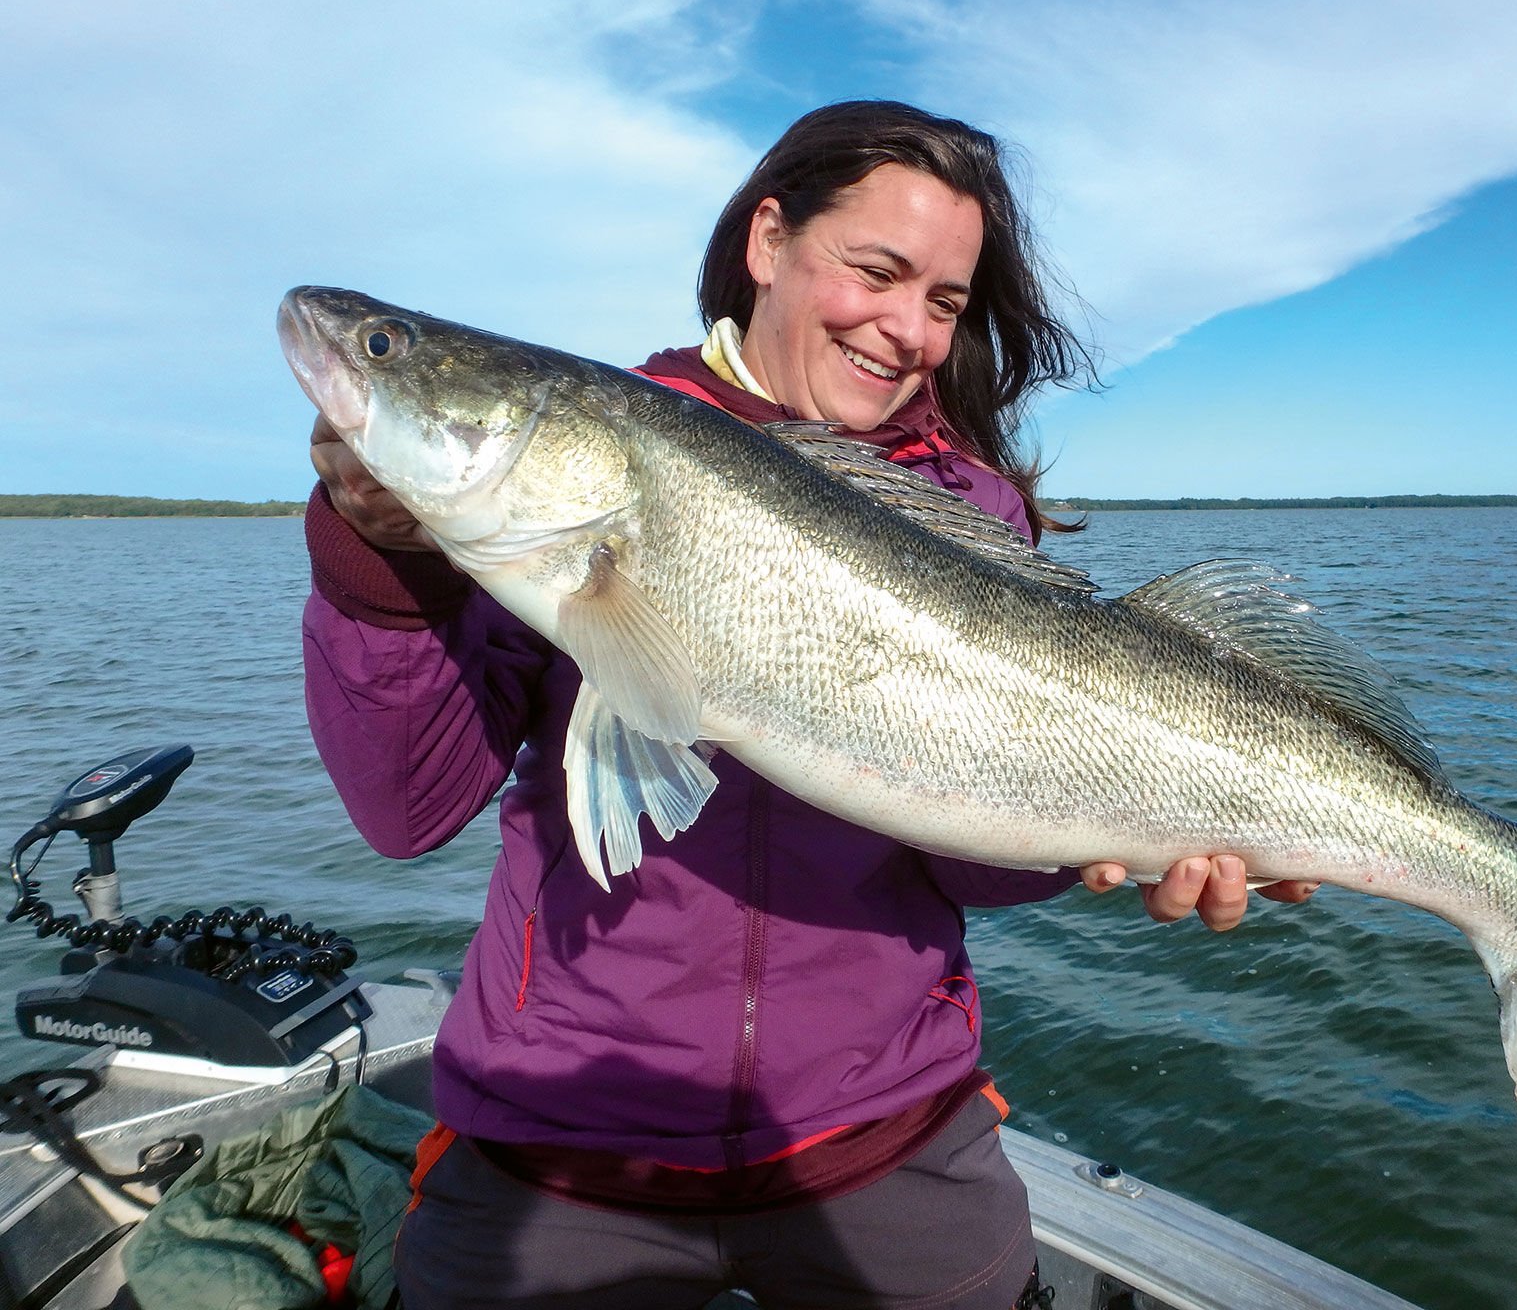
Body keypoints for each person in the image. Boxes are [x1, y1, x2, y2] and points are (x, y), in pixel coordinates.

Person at [303, 100, 1317, 1310]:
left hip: (885, 1135)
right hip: (563, 1136)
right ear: (769, 240)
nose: (908, 331)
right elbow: (406, 808)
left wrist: (1106, 837)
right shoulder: (588, 462)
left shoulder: (972, 507)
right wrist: (381, 561)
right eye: (876, 272)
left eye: (942, 301)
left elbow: (973, 868)